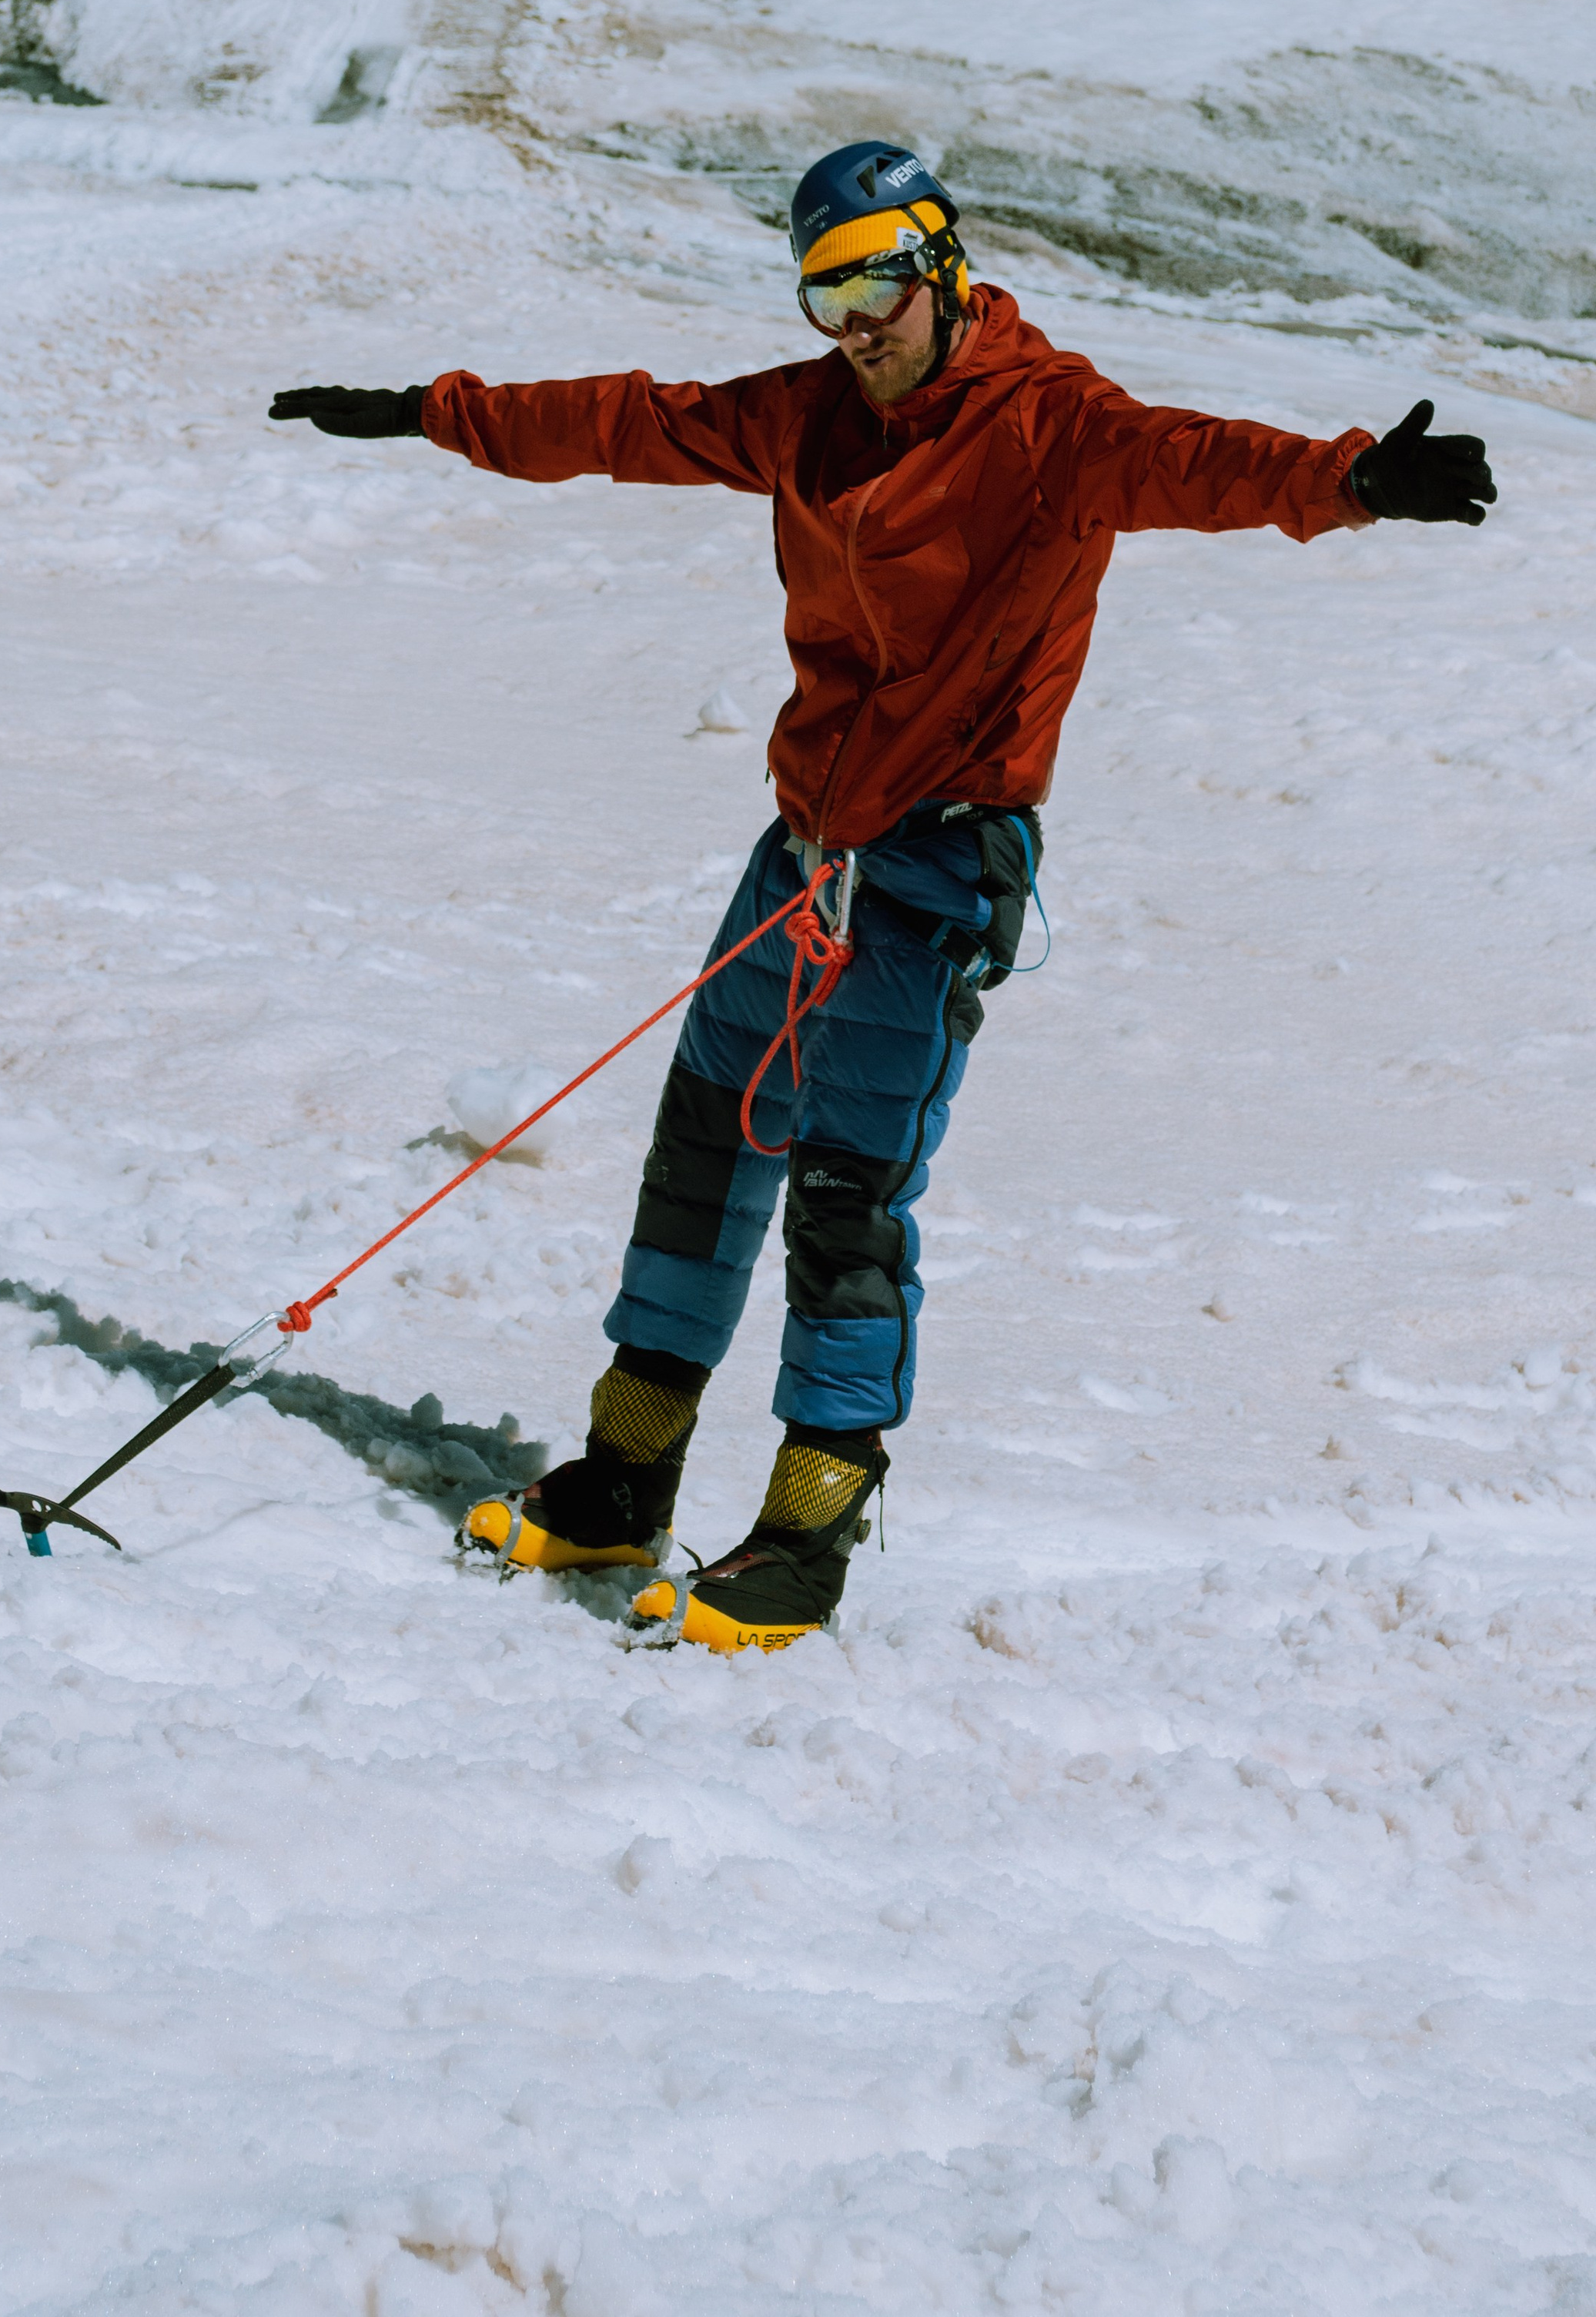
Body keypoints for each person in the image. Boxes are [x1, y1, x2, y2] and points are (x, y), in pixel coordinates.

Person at [269, 142, 1495, 1652]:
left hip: (933, 858)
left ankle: (809, 1524)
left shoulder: (1049, 429)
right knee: (708, 1137)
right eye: (820, 291)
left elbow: (1191, 464)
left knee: (848, 1186)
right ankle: (620, 1474)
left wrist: (1350, 477)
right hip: (800, 845)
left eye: (874, 283)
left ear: (941, 265)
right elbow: (627, 424)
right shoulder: (809, 415)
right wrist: (425, 414)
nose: (851, 323)